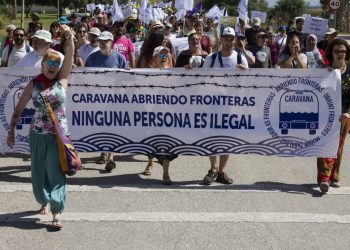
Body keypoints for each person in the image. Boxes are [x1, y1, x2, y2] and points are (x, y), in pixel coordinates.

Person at [7, 24, 74, 229]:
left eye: (56, 62)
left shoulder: (62, 79)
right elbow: (18, 109)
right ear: (43, 65)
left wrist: (68, 36)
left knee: (55, 172)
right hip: (37, 134)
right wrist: (11, 132)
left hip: (58, 136)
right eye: (49, 62)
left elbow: (70, 54)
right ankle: (43, 200)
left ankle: (56, 212)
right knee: (37, 174)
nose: (53, 66)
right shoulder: (34, 84)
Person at [201, 27, 248, 185]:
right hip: (213, 104)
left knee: (227, 139)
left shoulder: (240, 58)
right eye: (226, 38)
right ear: (220, 39)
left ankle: (221, 171)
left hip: (233, 105)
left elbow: (251, 82)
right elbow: (201, 79)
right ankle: (213, 169)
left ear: (235, 40)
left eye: (231, 39)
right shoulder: (211, 58)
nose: (228, 41)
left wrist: (244, 74)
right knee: (212, 137)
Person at [85, 31, 127, 172]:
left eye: (106, 41)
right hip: (97, 99)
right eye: (100, 41)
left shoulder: (119, 58)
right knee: (100, 126)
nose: (103, 43)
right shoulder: (91, 58)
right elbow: (85, 77)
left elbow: (125, 78)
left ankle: (111, 158)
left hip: (114, 99)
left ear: (111, 42)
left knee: (112, 127)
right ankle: (103, 152)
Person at [317, 38, 350, 193]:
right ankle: (324, 177)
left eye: (343, 51)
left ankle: (334, 176)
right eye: (337, 51)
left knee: (338, 147)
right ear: (331, 53)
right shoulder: (325, 71)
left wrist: (348, 113)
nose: (340, 54)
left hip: (344, 116)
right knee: (325, 145)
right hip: (326, 116)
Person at [149, 46, 177, 184]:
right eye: (161, 55)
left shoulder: (174, 74)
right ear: (155, 58)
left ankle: (166, 173)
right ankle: (150, 163)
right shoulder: (146, 75)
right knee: (150, 143)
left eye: (166, 54)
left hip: (167, 117)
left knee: (166, 144)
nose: (164, 57)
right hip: (151, 115)